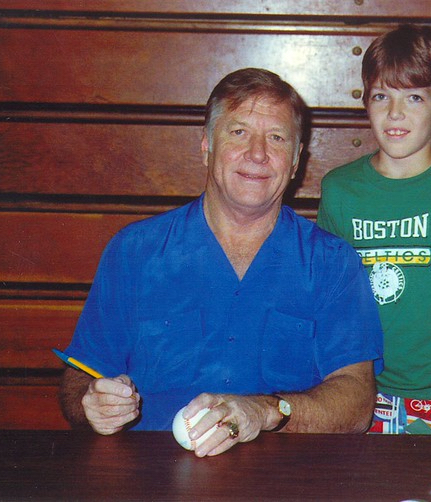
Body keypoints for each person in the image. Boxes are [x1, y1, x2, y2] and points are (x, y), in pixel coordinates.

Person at [59, 67, 384, 456]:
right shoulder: (134, 252)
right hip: (149, 479)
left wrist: (266, 411)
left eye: (277, 138)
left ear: (296, 161)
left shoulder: (332, 263)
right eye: (239, 132)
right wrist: (91, 404)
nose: (257, 154)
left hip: (287, 480)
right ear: (206, 147)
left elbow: (356, 404)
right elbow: (79, 379)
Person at [317, 25, 431, 435]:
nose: (395, 113)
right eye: (382, 96)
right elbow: (330, 301)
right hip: (362, 390)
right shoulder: (339, 190)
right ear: (366, 102)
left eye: (414, 97)